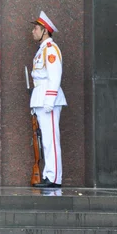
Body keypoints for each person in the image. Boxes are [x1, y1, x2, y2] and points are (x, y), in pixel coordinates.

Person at [29, 11, 66, 188]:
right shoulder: (42, 50)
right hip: (41, 99)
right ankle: (48, 175)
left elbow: (55, 76)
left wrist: (49, 101)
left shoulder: (51, 49)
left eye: (36, 28)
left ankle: (54, 178)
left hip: (48, 100)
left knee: (51, 139)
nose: (33, 31)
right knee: (45, 141)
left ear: (45, 30)